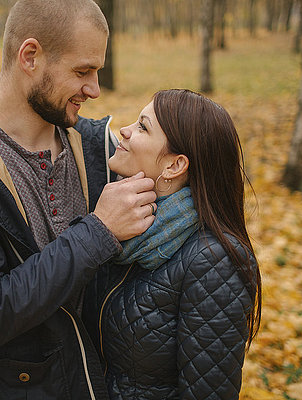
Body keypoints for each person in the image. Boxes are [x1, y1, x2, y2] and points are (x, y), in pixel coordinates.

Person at [0, 1, 157, 399]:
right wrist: (98, 231)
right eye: (82, 71)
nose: (94, 89)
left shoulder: (100, 149)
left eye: (97, 72)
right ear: (31, 57)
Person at [82, 89, 262, 400]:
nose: (123, 130)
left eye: (142, 126)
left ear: (174, 166)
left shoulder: (213, 261)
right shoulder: (125, 227)